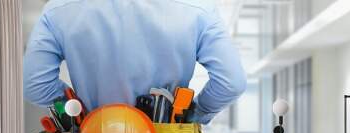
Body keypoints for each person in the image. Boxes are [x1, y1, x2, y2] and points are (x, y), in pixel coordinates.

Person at [24, 0, 246, 124]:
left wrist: (77, 112)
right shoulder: (199, 8)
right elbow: (231, 83)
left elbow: (34, 85)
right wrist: (194, 115)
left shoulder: (58, 10)